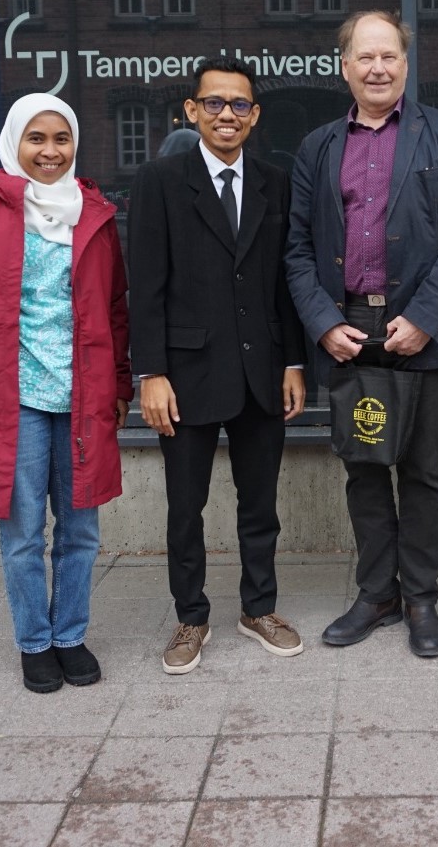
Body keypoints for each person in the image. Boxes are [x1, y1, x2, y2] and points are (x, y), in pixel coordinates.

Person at [286, 10, 438, 658]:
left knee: (423, 471)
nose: (377, 68)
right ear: (344, 66)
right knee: (364, 469)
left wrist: (426, 318)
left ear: (405, 63)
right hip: (348, 329)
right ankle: (377, 593)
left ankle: (421, 595)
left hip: (420, 328)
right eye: (364, 57)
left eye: (389, 57)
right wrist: (322, 323)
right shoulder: (318, 146)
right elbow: (296, 249)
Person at [0, 93, 131, 693]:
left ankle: (70, 635)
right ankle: (33, 641)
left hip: (82, 399)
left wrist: (120, 382)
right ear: (15, 142)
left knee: (81, 531)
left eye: (61, 139)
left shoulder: (94, 213)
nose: (50, 151)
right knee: (21, 533)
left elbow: (116, 308)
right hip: (7, 400)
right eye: (36, 139)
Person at [128, 57, 308, 676]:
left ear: (255, 116)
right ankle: (191, 615)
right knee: (186, 506)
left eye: (238, 105)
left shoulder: (273, 182)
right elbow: (144, 286)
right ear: (191, 111)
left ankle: (259, 607)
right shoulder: (159, 180)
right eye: (213, 103)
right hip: (185, 376)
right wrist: (149, 373)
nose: (225, 114)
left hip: (263, 373)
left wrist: (293, 361)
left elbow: (287, 284)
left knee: (261, 503)